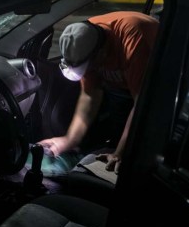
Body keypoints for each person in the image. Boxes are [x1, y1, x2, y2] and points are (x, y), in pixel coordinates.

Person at [38, 10, 159, 174]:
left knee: (142, 153)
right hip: (122, 88)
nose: (89, 71)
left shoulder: (133, 36)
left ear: (101, 53)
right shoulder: (83, 40)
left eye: (89, 67)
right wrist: (69, 140)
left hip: (157, 90)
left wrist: (120, 153)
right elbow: (89, 95)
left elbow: (143, 103)